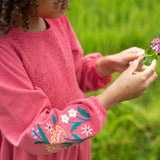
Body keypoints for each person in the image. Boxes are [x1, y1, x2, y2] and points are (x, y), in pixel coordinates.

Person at [0, 0, 157, 160]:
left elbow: (71, 75)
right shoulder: (4, 52)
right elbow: (37, 133)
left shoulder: (55, 18)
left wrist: (106, 65)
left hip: (72, 147)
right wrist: (113, 96)